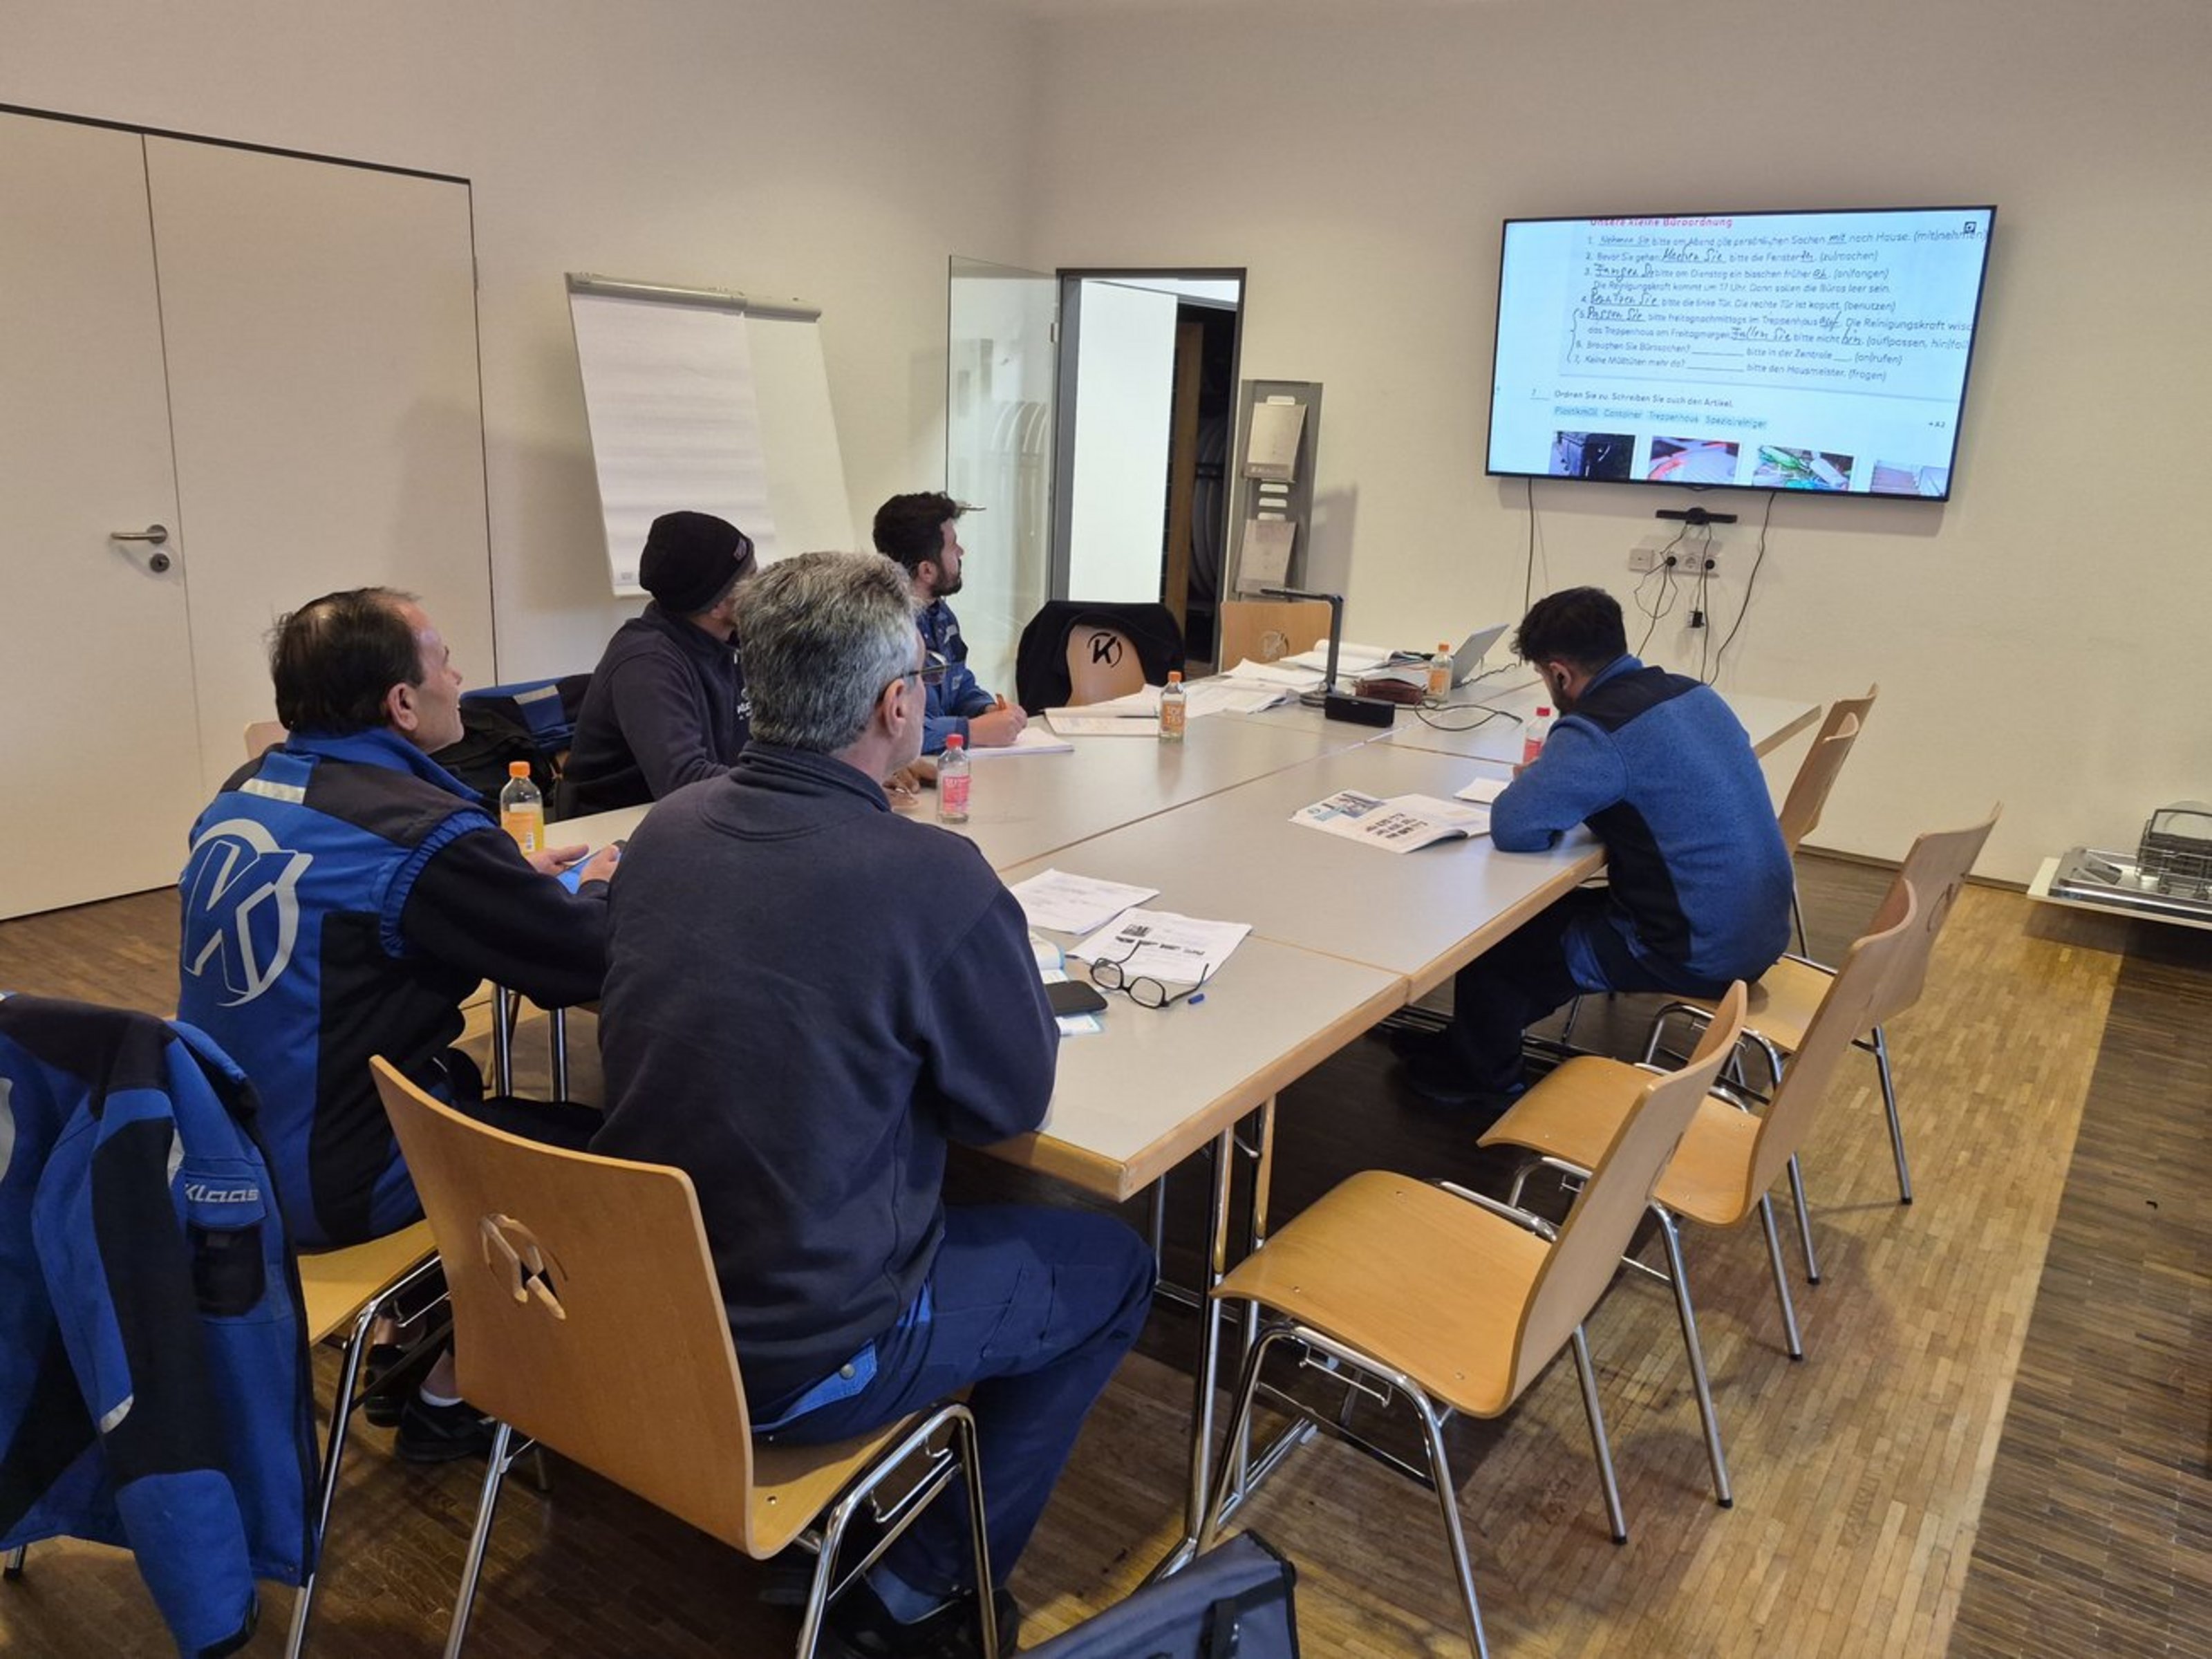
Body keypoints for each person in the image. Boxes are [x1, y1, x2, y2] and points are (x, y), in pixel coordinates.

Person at [594, 551, 1152, 1658]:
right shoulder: (930, 879)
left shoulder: (665, 832)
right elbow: (1006, 1104)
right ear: (900, 705)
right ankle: (921, 1590)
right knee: (1116, 1264)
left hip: (642, 1314)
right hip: (800, 1354)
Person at [178, 588, 617, 1459]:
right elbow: (583, 963)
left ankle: (410, 1333)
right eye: (445, 660)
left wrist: (498, 875)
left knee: (474, 1100)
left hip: (216, 1152)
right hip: (331, 1180)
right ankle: (457, 1394)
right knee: (621, 1167)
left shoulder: (243, 793)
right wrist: (598, 880)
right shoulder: (426, 835)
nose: (461, 677)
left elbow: (355, 900)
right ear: (402, 704)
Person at [1397, 586, 1794, 1114]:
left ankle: (1487, 1080)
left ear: (1559, 674)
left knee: (1496, 948)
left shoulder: (1598, 729)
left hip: (1695, 948)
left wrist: (1546, 781)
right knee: (1539, 926)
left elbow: (1517, 826)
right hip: (1758, 924)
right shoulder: (1693, 694)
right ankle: (1472, 1043)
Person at [557, 509, 758, 815]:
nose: (763, 586)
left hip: (705, 816)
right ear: (718, 605)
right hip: (618, 835)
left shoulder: (737, 638)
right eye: (751, 578)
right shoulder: (647, 663)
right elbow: (684, 782)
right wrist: (784, 787)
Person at [871, 491, 1028, 753]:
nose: (961, 552)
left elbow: (959, 681)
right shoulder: (883, 633)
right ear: (927, 571)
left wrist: (985, 708)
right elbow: (894, 732)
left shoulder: (941, 614)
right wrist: (973, 731)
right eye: (953, 546)